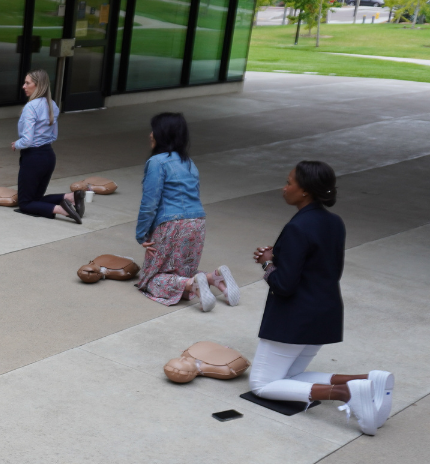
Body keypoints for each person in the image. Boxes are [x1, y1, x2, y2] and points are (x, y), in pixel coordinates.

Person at [250, 161, 392, 435]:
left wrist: (268, 264)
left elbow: (284, 285)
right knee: (290, 377)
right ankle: (368, 381)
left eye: (289, 182)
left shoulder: (297, 227)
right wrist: (279, 258)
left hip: (293, 319)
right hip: (324, 314)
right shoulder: (334, 222)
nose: (284, 187)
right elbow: (322, 267)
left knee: (262, 385)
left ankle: (345, 394)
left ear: (304, 192)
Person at [133, 112, 238, 312]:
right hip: (197, 223)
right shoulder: (189, 163)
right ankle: (214, 278)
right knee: (181, 270)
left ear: (162, 134)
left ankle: (192, 285)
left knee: (149, 279)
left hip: (171, 224)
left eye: (153, 130)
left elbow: (149, 203)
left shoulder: (157, 162)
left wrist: (142, 235)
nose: (150, 135)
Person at [11, 69, 81, 224]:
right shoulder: (52, 105)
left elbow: (27, 140)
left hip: (33, 157)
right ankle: (69, 197)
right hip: (48, 155)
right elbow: (54, 135)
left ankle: (62, 210)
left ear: (38, 85)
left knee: (25, 203)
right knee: (36, 199)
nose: (24, 86)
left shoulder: (31, 107)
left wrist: (17, 144)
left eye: (28, 83)